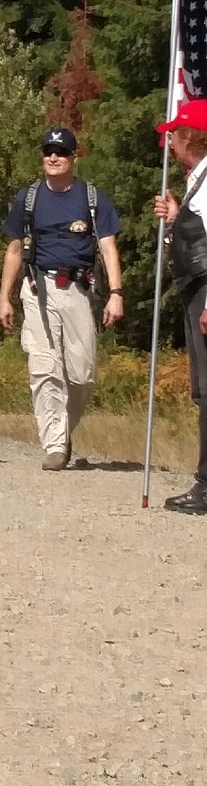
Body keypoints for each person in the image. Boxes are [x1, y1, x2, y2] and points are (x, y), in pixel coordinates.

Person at [0, 126, 123, 471]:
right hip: (37, 289)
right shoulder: (29, 198)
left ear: (74, 157)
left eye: (62, 152)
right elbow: (12, 250)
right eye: (48, 151)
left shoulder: (92, 198)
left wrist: (116, 293)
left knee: (82, 375)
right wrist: (4, 298)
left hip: (78, 290)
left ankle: (63, 429)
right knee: (44, 368)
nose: (54, 157)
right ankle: (54, 444)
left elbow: (108, 247)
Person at [154, 99, 207, 514]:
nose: (169, 141)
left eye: (174, 134)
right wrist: (177, 219)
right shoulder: (198, 181)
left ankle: (205, 486)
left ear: (190, 137)